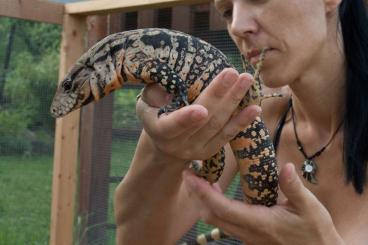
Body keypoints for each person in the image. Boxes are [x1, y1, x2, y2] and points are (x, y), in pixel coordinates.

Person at [114, 0, 368, 244]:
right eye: (226, 11)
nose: (236, 25)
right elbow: (137, 239)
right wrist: (161, 152)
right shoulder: (254, 115)